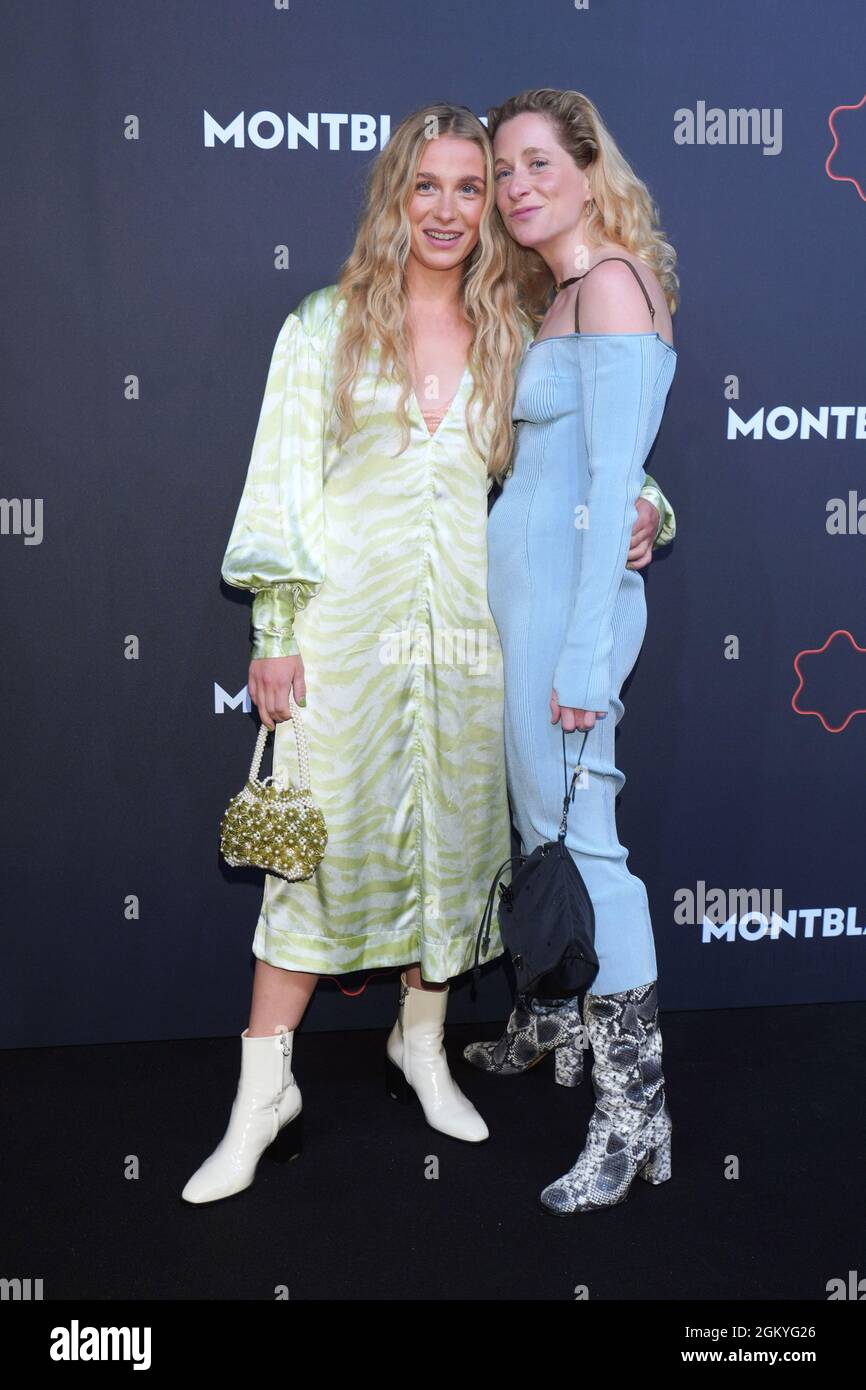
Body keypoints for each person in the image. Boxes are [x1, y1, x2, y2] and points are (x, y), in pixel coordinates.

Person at [182, 102, 675, 1206]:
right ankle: (263, 1096)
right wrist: (272, 634)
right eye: (430, 185)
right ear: (392, 197)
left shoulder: (514, 322)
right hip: (345, 648)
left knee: (452, 854)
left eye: (472, 185)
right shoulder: (324, 323)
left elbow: (585, 451)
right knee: (310, 865)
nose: (453, 208)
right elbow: (278, 488)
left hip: (471, 646)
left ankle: (421, 1043)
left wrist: (649, 502)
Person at [464, 88, 677, 1214]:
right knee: (548, 832)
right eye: (502, 171)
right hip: (535, 612)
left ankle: (634, 1112)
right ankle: (554, 1020)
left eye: (538, 163)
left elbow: (607, 487)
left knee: (588, 851)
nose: (516, 187)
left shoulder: (608, 287)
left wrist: (583, 658)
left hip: (568, 622)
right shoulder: (556, 296)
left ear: (590, 172)